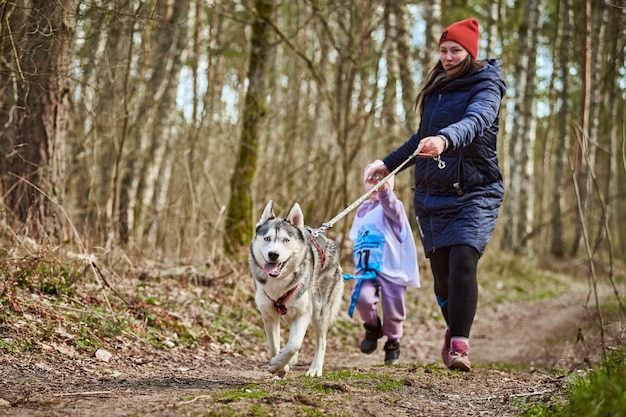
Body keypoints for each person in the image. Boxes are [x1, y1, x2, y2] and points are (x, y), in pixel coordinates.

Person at [370, 17, 506, 371]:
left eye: (455, 51)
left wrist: (445, 140)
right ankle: (453, 328)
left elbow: (475, 122)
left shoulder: (487, 85)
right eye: (443, 51)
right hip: (433, 195)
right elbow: (420, 139)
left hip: (476, 190)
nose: (447, 57)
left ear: (470, 52)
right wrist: (388, 164)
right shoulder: (436, 88)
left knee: (464, 257)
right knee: (442, 275)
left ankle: (460, 344)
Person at [343, 160, 420, 365]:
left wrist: (385, 189)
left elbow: (390, 203)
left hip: (392, 269)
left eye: (382, 180)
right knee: (361, 298)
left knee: (394, 310)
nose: (375, 184)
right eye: (371, 180)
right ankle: (372, 327)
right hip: (367, 269)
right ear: (363, 185)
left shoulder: (393, 208)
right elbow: (357, 240)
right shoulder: (361, 211)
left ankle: (393, 341)